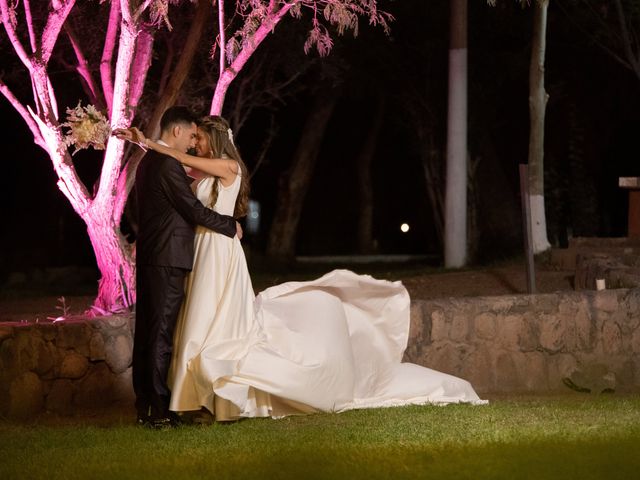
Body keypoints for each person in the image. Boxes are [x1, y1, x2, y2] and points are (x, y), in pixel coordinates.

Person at [117, 116, 486, 423]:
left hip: (220, 252)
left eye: (198, 139)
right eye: (191, 138)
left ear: (213, 140)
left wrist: (149, 142)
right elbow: (183, 182)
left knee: (211, 323)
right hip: (201, 251)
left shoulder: (228, 167)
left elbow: (187, 166)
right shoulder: (198, 174)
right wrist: (146, 142)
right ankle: (189, 399)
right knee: (194, 325)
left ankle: (204, 397)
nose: (194, 145)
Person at [124, 107, 242, 429]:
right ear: (177, 131)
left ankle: (146, 405)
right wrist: (229, 226)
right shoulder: (167, 164)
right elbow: (192, 210)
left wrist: (142, 141)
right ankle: (160, 411)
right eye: (191, 135)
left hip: (153, 255)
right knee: (160, 332)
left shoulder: (149, 162)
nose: (192, 143)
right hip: (168, 257)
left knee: (149, 331)